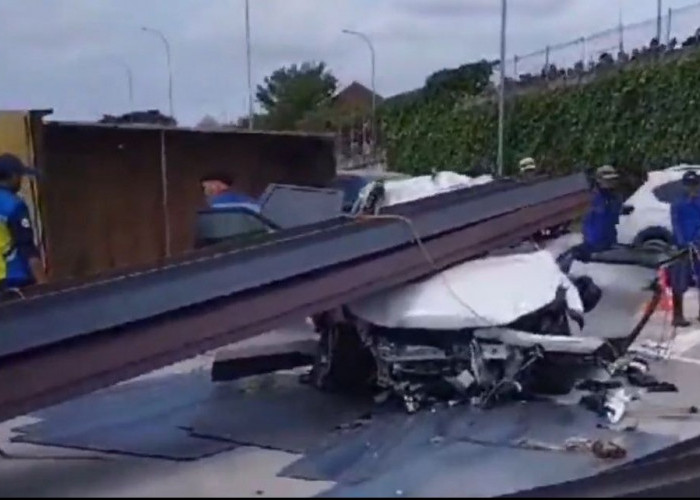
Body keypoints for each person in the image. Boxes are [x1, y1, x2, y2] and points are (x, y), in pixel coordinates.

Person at [0, 153, 47, 291]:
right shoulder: (13, 205)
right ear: (13, 177)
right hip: (14, 280)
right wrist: (45, 286)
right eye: (20, 176)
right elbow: (26, 246)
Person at [669, 170, 700, 327]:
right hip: (683, 247)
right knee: (679, 280)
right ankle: (677, 315)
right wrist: (683, 242)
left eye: (695, 185)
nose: (693, 189)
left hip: (698, 244)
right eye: (690, 185)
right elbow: (676, 224)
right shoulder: (678, 204)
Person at [580, 165, 623, 255]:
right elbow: (592, 221)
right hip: (595, 244)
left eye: (613, 180)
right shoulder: (595, 197)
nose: (612, 183)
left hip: (609, 241)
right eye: (608, 180)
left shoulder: (613, 197)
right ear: (600, 181)